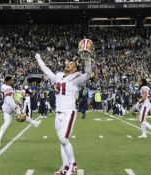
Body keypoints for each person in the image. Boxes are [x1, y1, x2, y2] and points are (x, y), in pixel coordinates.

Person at [35, 38, 92, 175]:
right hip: (58, 113)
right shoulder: (59, 76)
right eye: (68, 63)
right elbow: (46, 70)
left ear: (75, 69)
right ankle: (65, 167)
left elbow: (89, 73)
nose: (68, 64)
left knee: (64, 139)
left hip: (69, 112)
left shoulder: (77, 78)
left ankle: (73, 165)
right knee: (62, 142)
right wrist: (39, 59)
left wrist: (88, 58)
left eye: (71, 64)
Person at [0, 76, 40, 148]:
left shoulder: (3, 86)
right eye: (11, 80)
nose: (13, 81)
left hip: (4, 106)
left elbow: (4, 95)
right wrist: (16, 108)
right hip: (10, 106)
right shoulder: (9, 88)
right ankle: (34, 123)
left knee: (7, 122)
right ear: (8, 81)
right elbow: (9, 100)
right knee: (22, 114)